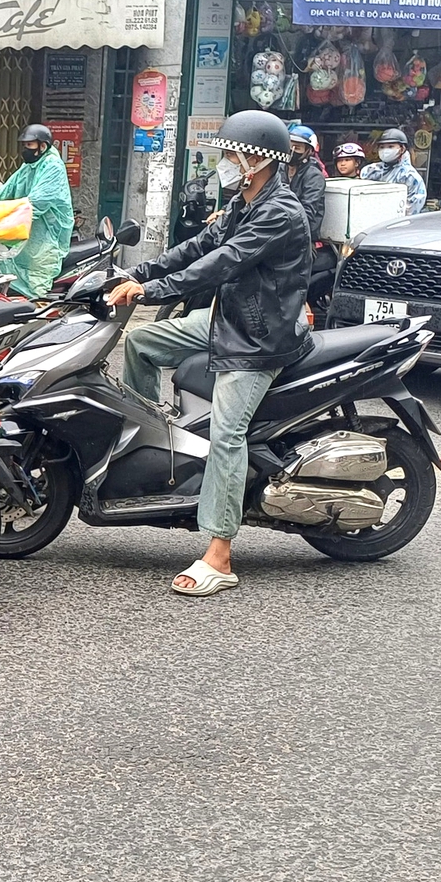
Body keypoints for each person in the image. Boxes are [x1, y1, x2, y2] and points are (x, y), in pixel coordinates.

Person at [103, 110, 310, 600]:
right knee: (141, 342)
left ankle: (220, 552)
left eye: (231, 153)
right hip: (229, 321)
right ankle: (153, 443)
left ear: (256, 161)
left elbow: (223, 263)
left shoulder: (280, 212)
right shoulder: (244, 202)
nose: (225, 161)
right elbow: (198, 245)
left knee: (226, 433)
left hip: (259, 340)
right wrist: (136, 275)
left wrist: (152, 292)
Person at [0, 123, 74, 299]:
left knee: (36, 285)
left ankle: (42, 321)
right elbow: (5, 192)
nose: (25, 149)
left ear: (43, 146)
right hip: (29, 235)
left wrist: (2, 217)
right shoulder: (29, 167)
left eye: (30, 145)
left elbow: (37, 203)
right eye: (24, 145)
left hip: (46, 238)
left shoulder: (53, 166)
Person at [287, 123, 333, 315]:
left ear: (308, 151)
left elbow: (307, 212)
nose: (292, 150)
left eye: (298, 147)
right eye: (290, 145)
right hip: (282, 233)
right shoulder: (281, 170)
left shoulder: (313, 175)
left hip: (303, 240)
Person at [361, 127, 427, 215]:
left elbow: (412, 208)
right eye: (382, 147)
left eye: (390, 146)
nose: (385, 150)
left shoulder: (410, 176)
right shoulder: (371, 171)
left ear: (402, 149)